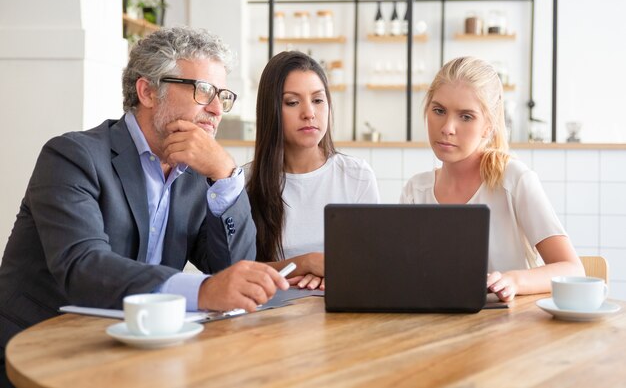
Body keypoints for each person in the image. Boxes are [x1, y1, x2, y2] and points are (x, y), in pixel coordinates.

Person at [0, 27, 288, 385]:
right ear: (148, 91)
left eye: (223, 96)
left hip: (139, 352)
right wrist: (201, 291)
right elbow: (83, 266)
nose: (217, 109)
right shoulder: (72, 156)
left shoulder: (198, 173)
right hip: (45, 350)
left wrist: (225, 176)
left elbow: (232, 271)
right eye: (203, 92)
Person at [400, 56, 584, 302]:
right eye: (439, 111)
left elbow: (572, 268)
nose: (447, 127)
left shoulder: (514, 181)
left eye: (466, 116)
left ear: (489, 126)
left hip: (505, 332)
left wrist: (514, 280)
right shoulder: (416, 190)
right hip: (434, 330)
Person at [246, 51, 380, 290]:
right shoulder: (245, 181)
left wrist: (329, 273)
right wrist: (307, 263)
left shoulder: (356, 175)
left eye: (318, 100)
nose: (309, 113)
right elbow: (240, 271)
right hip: (270, 316)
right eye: (292, 102)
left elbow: (370, 264)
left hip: (339, 309)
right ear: (271, 110)